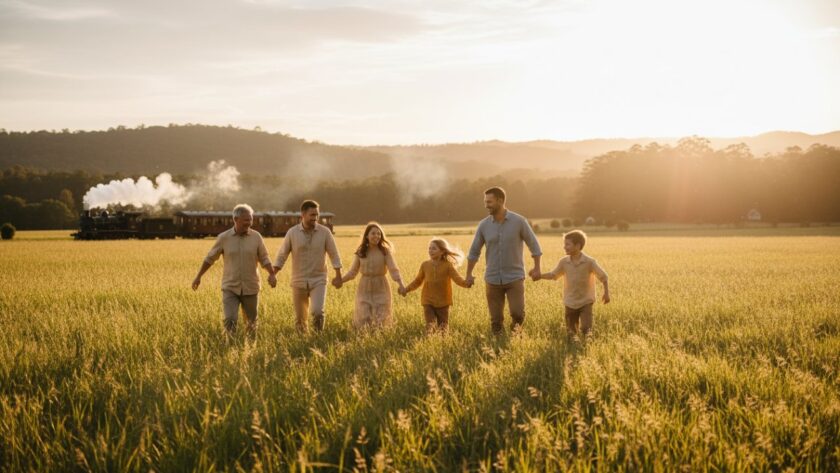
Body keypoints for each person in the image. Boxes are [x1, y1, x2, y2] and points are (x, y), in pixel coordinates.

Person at [192, 204, 276, 340]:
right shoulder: (224, 238)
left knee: (251, 323)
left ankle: (249, 350)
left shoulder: (256, 237)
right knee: (230, 319)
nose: (249, 223)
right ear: (236, 220)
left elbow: (264, 258)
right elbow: (210, 258)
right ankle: (229, 346)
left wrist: (271, 274)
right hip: (230, 287)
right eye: (245, 220)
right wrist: (198, 276)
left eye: (250, 219)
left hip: (251, 287)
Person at [466, 187, 542, 334]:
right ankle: (497, 345)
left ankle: (516, 337)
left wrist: (537, 267)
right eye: (485, 201)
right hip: (492, 278)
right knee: (495, 320)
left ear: (500, 201)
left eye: (489, 201)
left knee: (518, 313)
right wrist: (469, 274)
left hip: (514, 277)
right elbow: (474, 251)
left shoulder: (519, 221)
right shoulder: (484, 225)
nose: (486, 205)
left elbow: (534, 245)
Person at [273, 200, 342, 332]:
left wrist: (338, 275)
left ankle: (317, 338)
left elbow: (334, 254)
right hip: (298, 280)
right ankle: (302, 343)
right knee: (300, 319)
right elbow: (282, 255)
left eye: (317, 215)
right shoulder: (292, 233)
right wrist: (273, 273)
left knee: (317, 312)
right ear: (302, 215)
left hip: (319, 279)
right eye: (312, 215)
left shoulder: (325, 232)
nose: (315, 218)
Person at [539, 229, 610, 340]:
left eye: (568, 244)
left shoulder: (589, 262)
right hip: (570, 302)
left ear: (578, 245)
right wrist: (539, 276)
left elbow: (603, 276)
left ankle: (587, 348)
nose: (564, 247)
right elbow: (553, 275)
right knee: (571, 333)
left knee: (586, 328)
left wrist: (606, 293)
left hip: (586, 301)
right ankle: (573, 349)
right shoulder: (564, 262)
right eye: (564, 244)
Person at [338, 222, 405, 329]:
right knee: (364, 315)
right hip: (365, 286)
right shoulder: (361, 252)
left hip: (381, 285)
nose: (376, 236)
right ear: (367, 236)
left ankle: (380, 339)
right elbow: (352, 272)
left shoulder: (385, 251)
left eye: (379, 234)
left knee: (381, 315)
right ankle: (364, 338)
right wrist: (340, 280)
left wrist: (401, 284)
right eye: (373, 233)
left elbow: (394, 269)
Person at [401, 237, 471, 334]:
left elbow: (457, 279)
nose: (430, 250)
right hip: (428, 300)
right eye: (429, 248)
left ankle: (442, 344)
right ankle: (429, 342)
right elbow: (417, 281)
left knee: (443, 327)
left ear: (442, 251)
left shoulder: (448, 265)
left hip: (443, 301)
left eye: (434, 248)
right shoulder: (425, 265)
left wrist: (466, 283)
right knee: (430, 324)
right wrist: (406, 289)